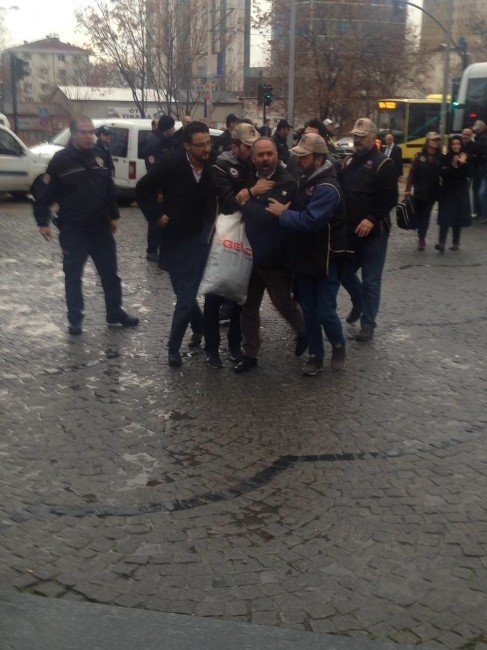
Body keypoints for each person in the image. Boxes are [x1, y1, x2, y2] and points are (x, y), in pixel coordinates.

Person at [33, 117, 139, 335]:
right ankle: (75, 319)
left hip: (100, 228)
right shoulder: (60, 160)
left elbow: (108, 188)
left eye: (92, 132)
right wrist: (42, 222)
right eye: (84, 132)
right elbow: (44, 195)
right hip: (74, 229)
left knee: (110, 274)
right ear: (73, 134)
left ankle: (115, 312)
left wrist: (114, 215)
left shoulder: (101, 156)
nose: (90, 136)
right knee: (73, 276)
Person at [266, 133, 351, 376]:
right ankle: (316, 354)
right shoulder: (307, 178)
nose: (299, 160)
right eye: (299, 155)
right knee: (310, 311)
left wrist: (283, 213)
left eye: (304, 156)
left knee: (325, 310)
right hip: (305, 257)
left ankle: (338, 344)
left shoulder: (327, 187)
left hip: (325, 259)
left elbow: (312, 221)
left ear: (319, 158)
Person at [136, 122, 214, 368]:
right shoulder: (171, 164)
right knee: (184, 294)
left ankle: (173, 348)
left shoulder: (214, 167)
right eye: (200, 145)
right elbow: (142, 189)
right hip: (174, 240)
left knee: (186, 295)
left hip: (201, 241)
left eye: (208, 143)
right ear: (187, 145)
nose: (205, 149)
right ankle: (201, 329)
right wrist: (157, 215)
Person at [233, 137, 307, 373]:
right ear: (253, 157)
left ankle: (304, 332)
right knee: (249, 307)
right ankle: (250, 353)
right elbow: (235, 204)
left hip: (275, 257)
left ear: (276, 154)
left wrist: (247, 199)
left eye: (269, 154)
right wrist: (250, 194)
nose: (265, 159)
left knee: (282, 302)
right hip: (249, 254)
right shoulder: (249, 177)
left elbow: (265, 215)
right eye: (260, 155)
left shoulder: (286, 181)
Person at [205, 123, 260, 368]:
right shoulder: (220, 166)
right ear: (235, 145)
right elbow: (228, 202)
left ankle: (235, 345)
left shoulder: (255, 165)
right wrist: (252, 191)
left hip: (247, 237)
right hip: (223, 237)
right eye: (248, 147)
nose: (252, 151)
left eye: (253, 146)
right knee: (215, 294)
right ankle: (211, 348)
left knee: (240, 295)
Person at [340, 117, 398, 341]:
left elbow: (391, 197)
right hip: (351, 232)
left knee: (371, 280)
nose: (357, 140)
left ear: (373, 138)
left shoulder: (384, 164)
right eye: (355, 136)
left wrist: (372, 219)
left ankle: (368, 323)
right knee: (344, 273)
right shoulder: (349, 161)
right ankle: (359, 302)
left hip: (374, 233)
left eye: (361, 137)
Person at [142, 115, 176, 261]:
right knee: (156, 218)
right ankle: (152, 250)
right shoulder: (155, 143)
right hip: (158, 189)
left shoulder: (165, 141)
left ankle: (161, 249)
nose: (174, 130)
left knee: (164, 219)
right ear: (168, 128)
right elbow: (152, 169)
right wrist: (159, 191)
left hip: (166, 187)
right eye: (172, 127)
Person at [405, 132, 444, 251]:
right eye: (432, 141)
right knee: (419, 214)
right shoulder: (420, 157)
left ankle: (421, 238)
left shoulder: (441, 157)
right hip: (419, 191)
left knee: (426, 215)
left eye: (436, 142)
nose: (434, 144)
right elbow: (412, 173)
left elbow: (445, 173)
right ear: (427, 142)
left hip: (432, 192)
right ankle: (420, 232)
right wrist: (407, 189)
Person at [435, 135, 471, 252]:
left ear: (461, 145)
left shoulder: (465, 157)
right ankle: (441, 242)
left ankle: (456, 242)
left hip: (460, 192)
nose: (456, 146)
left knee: (457, 218)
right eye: (454, 144)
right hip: (447, 192)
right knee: (444, 217)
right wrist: (453, 165)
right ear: (451, 145)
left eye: (458, 144)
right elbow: (442, 173)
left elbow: (470, 174)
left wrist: (463, 163)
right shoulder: (446, 157)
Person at [462, 128, 481, 218]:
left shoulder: (475, 145)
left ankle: (474, 212)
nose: (465, 136)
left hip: (472, 173)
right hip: (462, 173)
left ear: (471, 135)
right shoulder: (460, 145)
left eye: (468, 134)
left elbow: (478, 158)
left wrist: (467, 157)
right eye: (464, 134)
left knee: (471, 193)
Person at [472, 120, 487, 222]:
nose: (474, 130)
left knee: (481, 193)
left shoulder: (483, 139)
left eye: (476, 129)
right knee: (477, 191)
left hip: (484, 170)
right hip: (480, 170)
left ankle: (484, 214)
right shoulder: (478, 138)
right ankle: (479, 213)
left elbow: (481, 154)